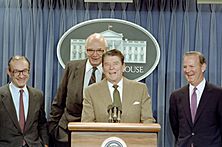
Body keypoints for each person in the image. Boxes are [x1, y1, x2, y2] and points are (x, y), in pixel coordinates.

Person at [48, 33, 108, 146]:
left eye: (99, 50)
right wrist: (53, 129)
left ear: (105, 50)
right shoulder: (72, 67)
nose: (95, 54)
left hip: (99, 134)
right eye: (90, 50)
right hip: (66, 134)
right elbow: (58, 102)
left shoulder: (111, 71)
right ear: (85, 50)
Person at [81, 49, 155, 123]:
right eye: (107, 64)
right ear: (103, 69)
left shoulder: (140, 89)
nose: (111, 67)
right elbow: (87, 123)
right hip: (102, 135)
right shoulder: (91, 92)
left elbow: (148, 120)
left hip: (132, 134)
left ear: (123, 67)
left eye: (115, 63)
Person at [169, 51, 222, 147]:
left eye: (191, 66)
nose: (188, 70)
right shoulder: (176, 96)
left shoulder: (218, 94)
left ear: (203, 67)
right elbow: (175, 127)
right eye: (185, 67)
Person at [0, 55, 49, 147]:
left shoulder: (38, 95)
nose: (21, 75)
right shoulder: (1, 95)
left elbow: (42, 124)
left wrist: (45, 144)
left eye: (24, 71)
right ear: (9, 72)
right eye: (16, 71)